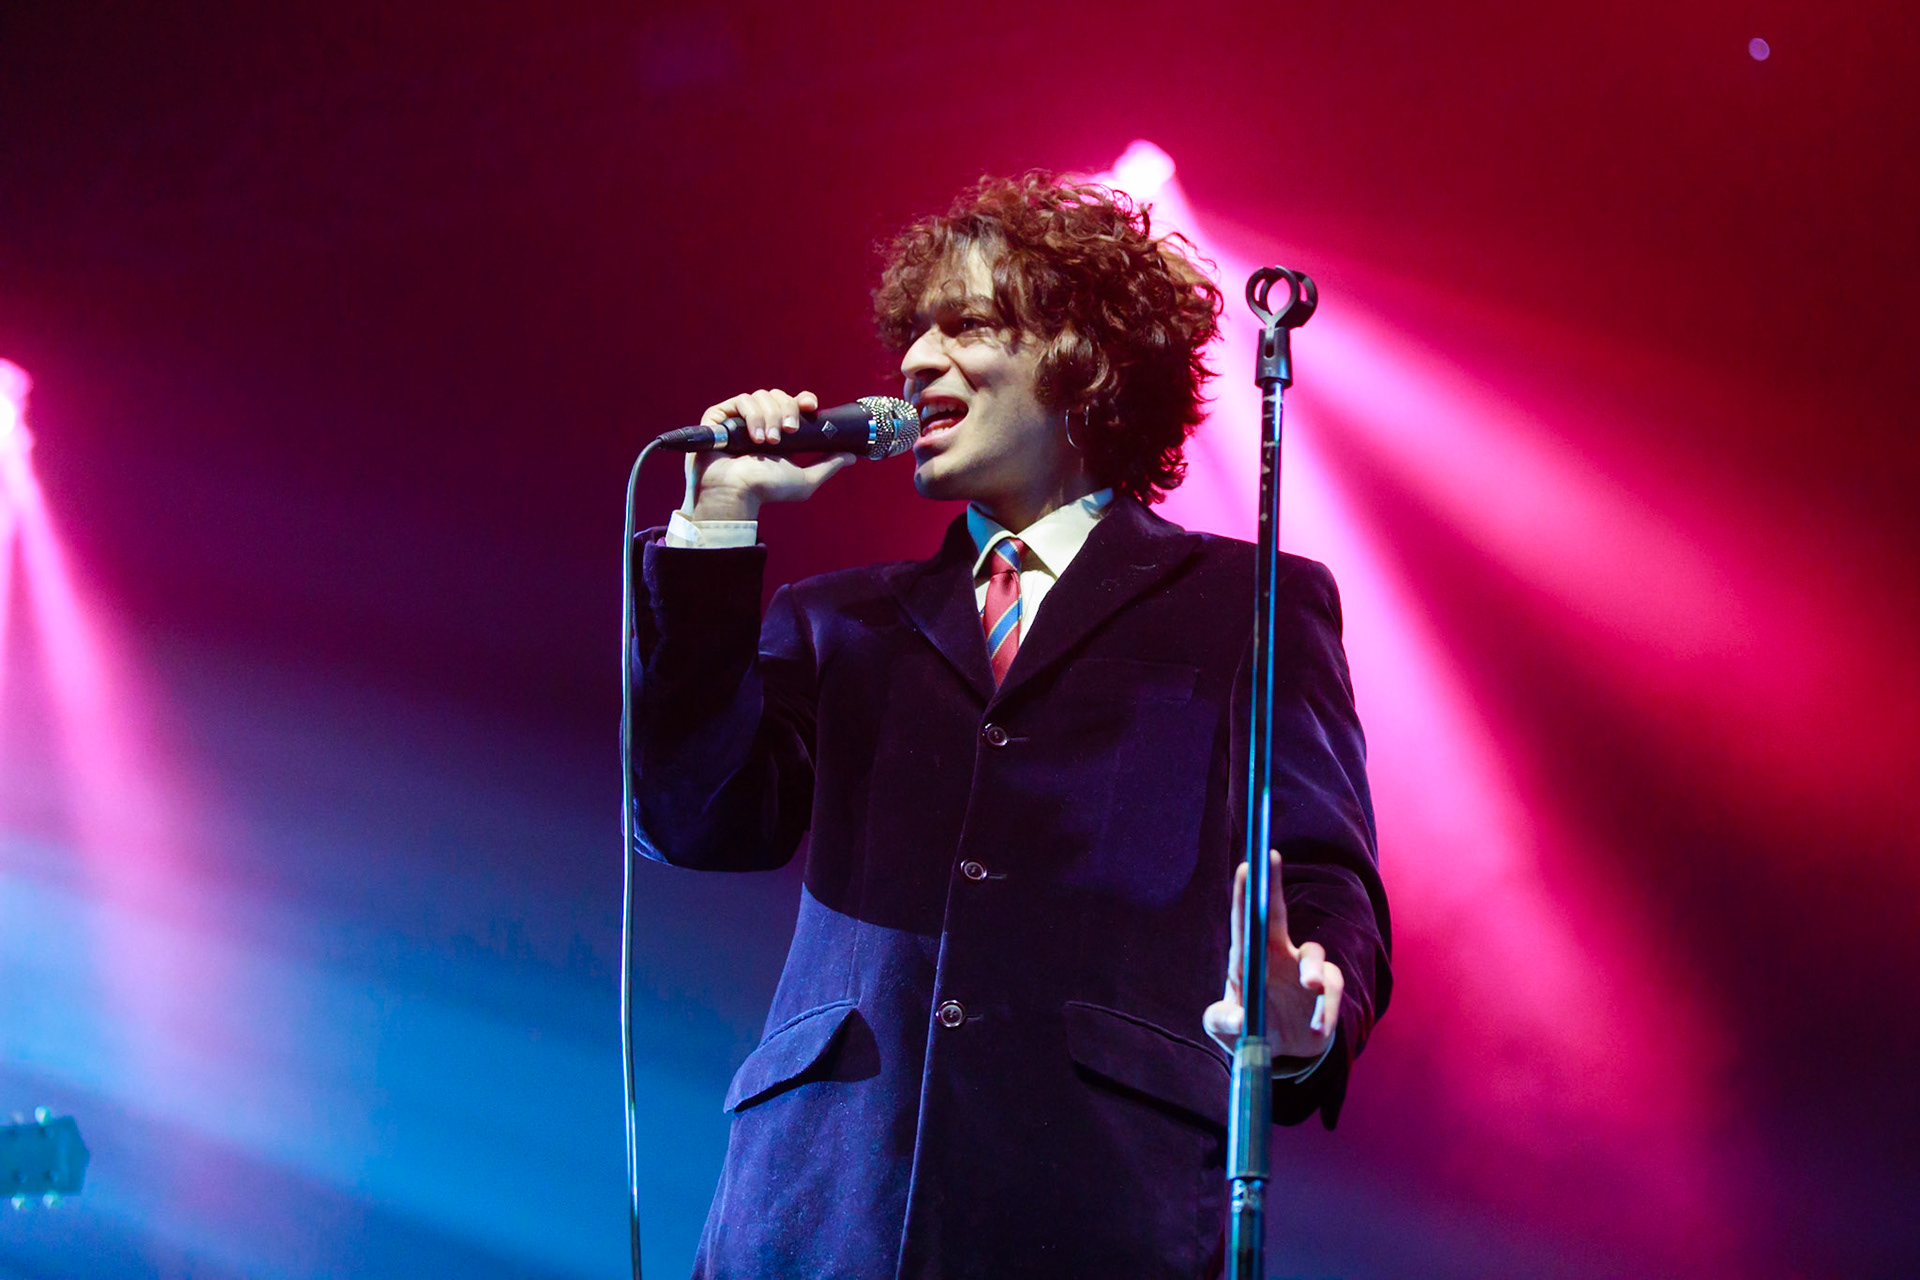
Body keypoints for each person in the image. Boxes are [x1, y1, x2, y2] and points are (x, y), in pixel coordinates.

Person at [627, 173, 1391, 1279]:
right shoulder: (839, 620)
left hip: (1094, 1204)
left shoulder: (1246, 603)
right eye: (912, 334)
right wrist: (715, 525)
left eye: (968, 324)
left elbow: (1325, 873)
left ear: (1083, 356)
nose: (915, 361)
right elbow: (691, 818)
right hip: (821, 1207)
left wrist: (1311, 1003)